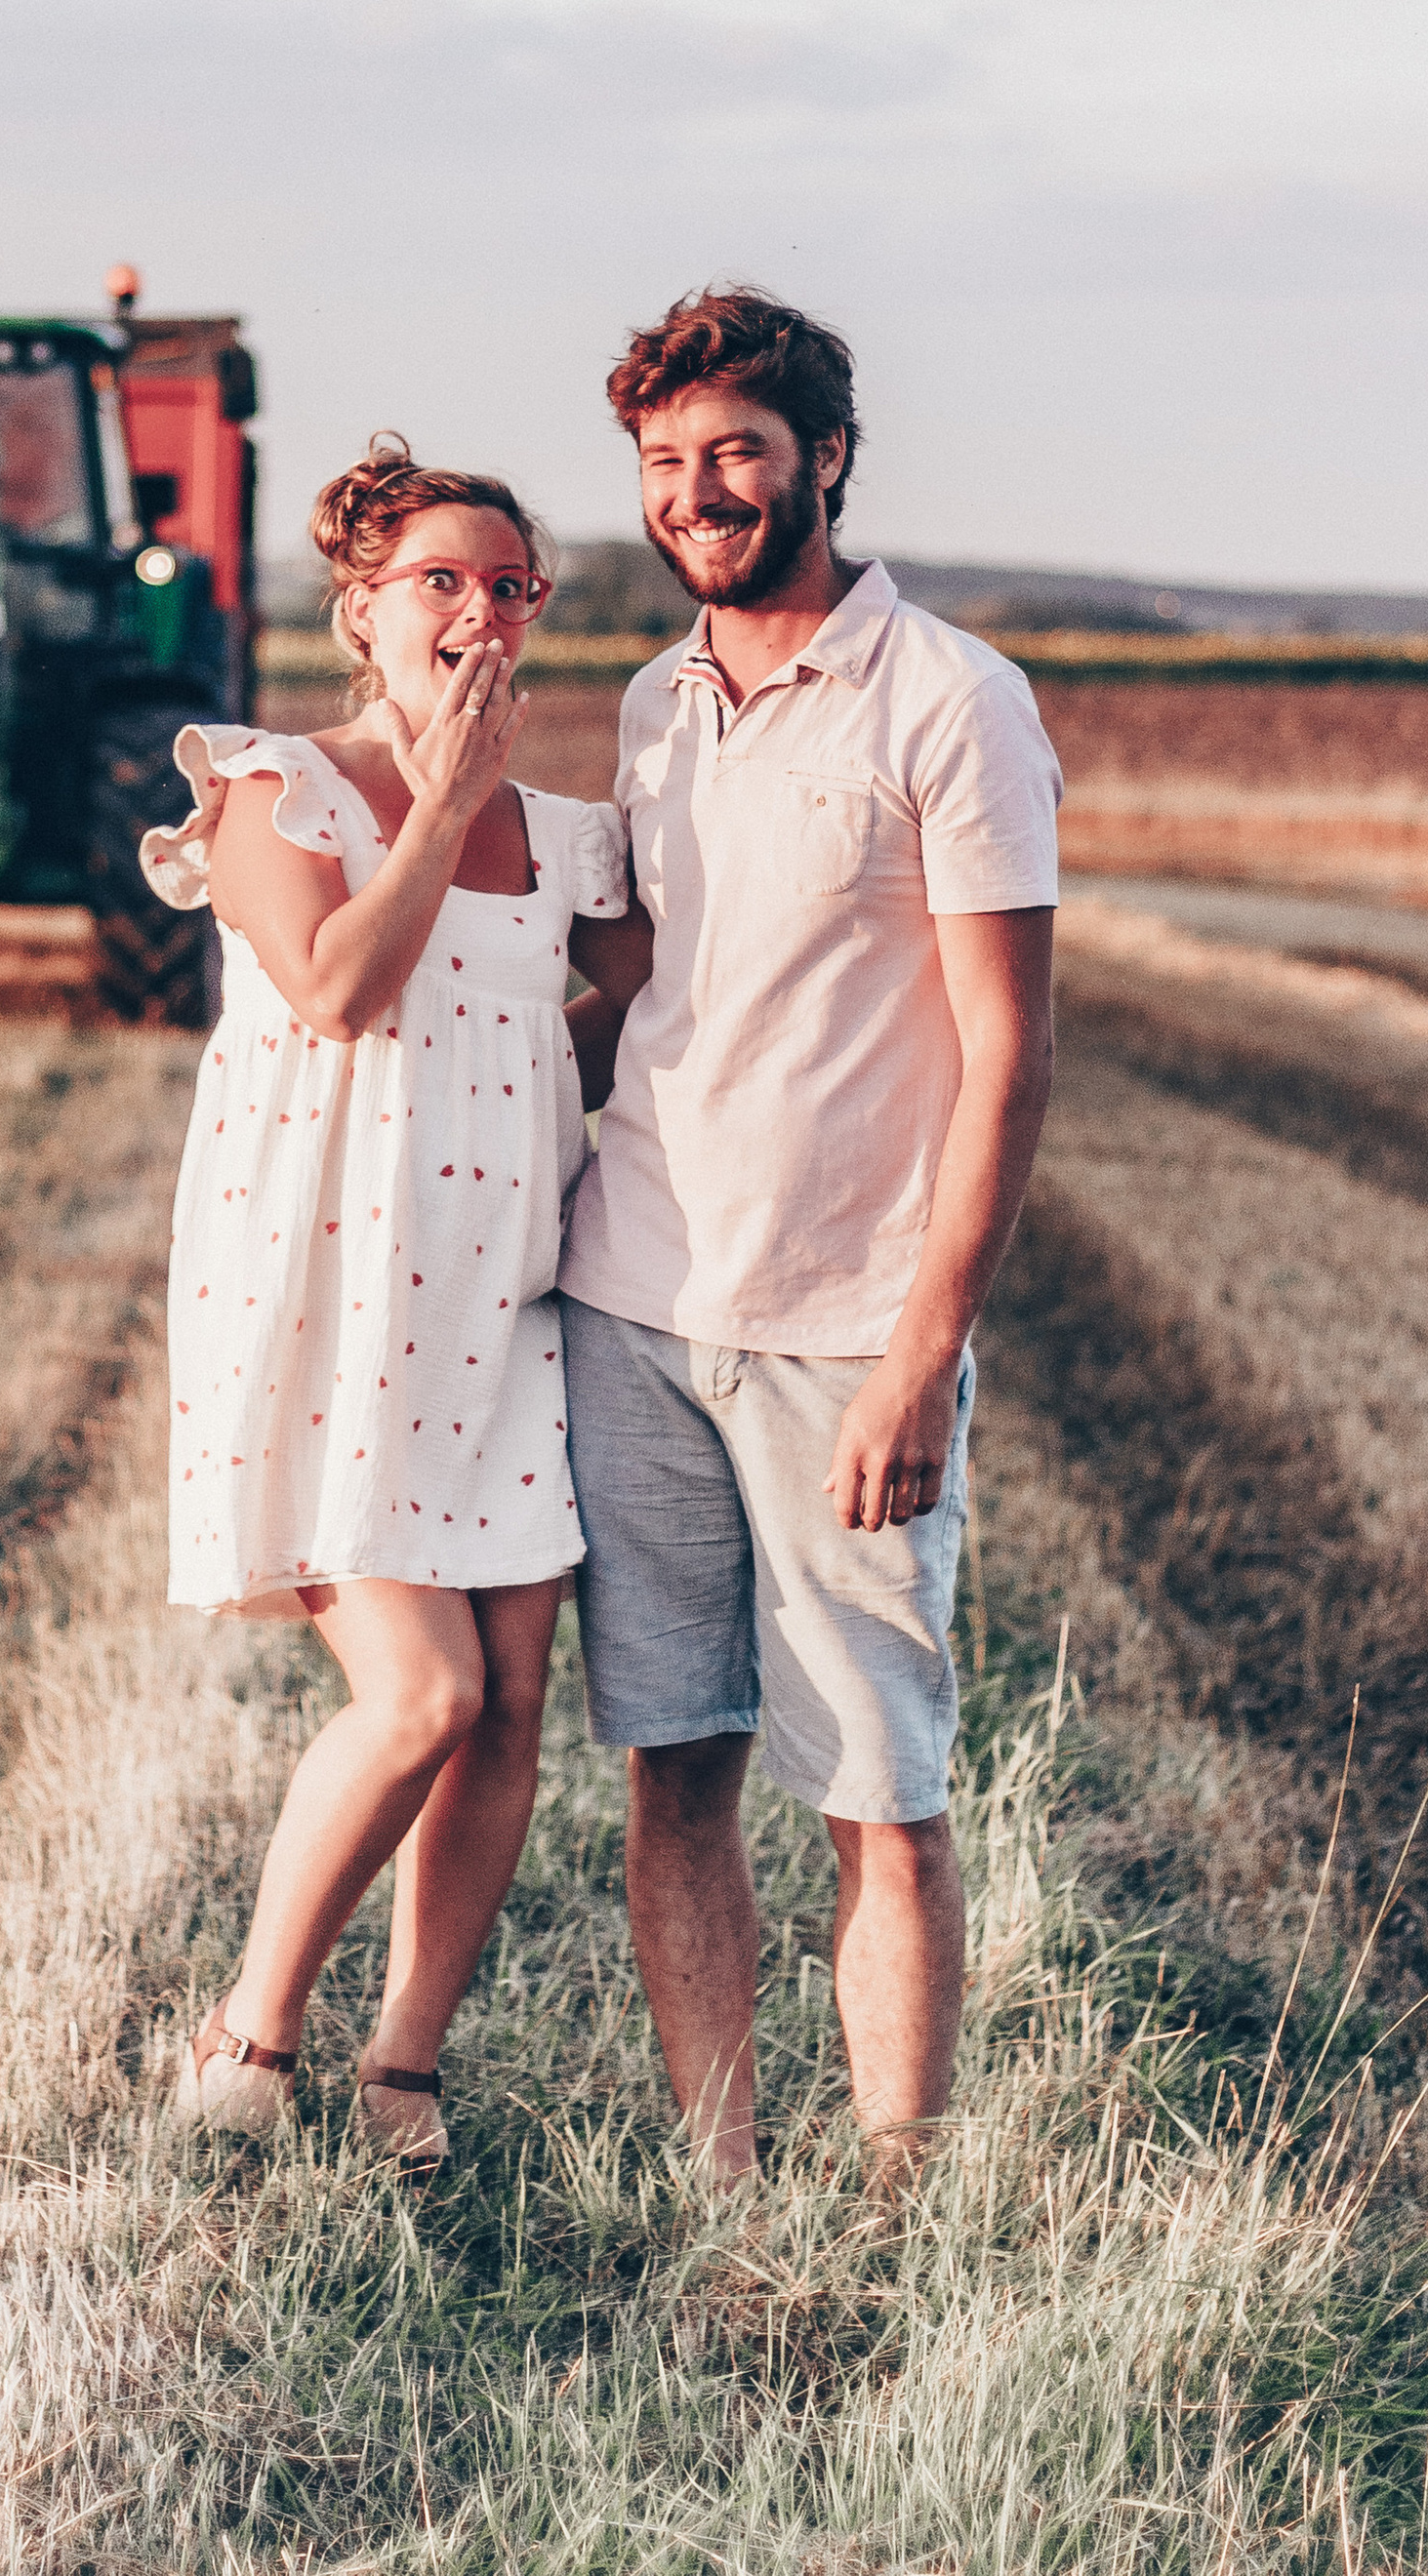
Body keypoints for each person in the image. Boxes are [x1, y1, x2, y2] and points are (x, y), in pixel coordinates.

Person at [559, 286, 1060, 2188]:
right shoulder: (650, 706)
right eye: (668, 465)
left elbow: (1005, 1063)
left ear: (825, 460)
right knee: (672, 1765)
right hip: (633, 1306)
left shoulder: (949, 702)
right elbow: (631, 993)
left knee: (877, 1782)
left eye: (736, 454)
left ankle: (895, 2191)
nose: (699, 493)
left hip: (848, 1328)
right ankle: (723, 2181)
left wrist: (924, 1354)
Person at [143, 438, 651, 2163]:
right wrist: (442, 797)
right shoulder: (284, 789)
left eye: (510, 587)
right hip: (336, 1305)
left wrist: (522, 1072)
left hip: (509, 1309)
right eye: (442, 579)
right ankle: (251, 2030)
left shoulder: (571, 837)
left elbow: (645, 1024)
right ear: (363, 609)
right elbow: (347, 988)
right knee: (419, 1693)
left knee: (510, 1701)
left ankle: (404, 2067)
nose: (482, 611)